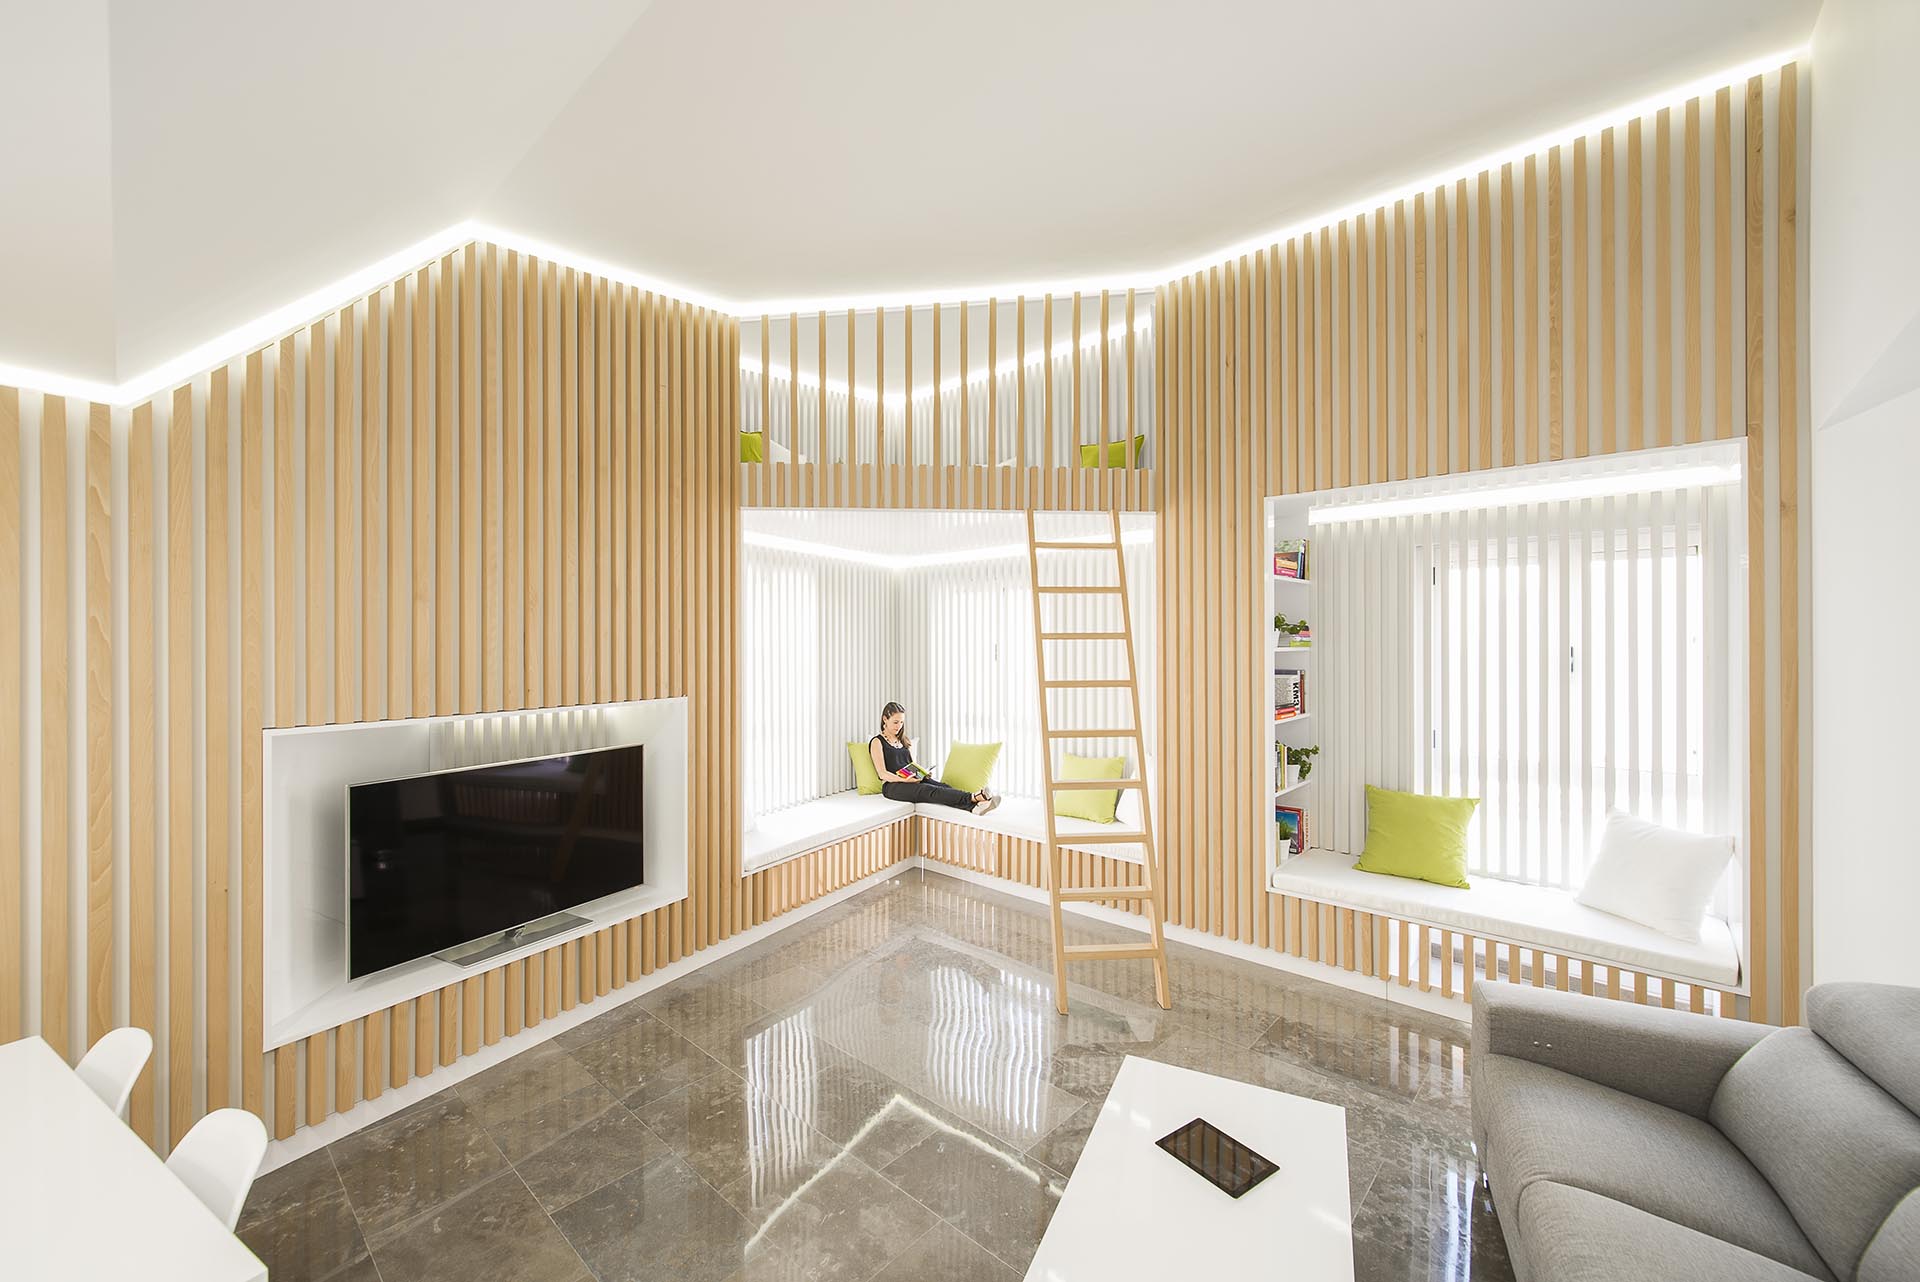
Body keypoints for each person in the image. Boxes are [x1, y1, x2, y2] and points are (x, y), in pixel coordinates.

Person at [869, 701, 1001, 815]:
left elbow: (910, 765)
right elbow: (882, 774)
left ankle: (974, 807)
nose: (899, 726)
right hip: (893, 786)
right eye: (895, 722)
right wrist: (905, 781)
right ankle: (974, 797)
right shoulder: (877, 742)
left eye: (902, 723)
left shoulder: (903, 740)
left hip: (909, 779)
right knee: (928, 790)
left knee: (942, 786)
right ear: (885, 719)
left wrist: (922, 773)